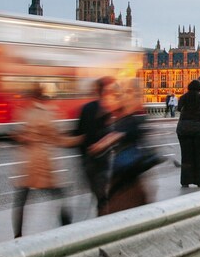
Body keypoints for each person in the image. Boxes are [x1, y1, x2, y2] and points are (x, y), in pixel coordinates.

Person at [12, 85, 83, 237]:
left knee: (21, 200)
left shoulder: (23, 112)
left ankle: (17, 234)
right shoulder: (48, 113)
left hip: (26, 163)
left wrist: (23, 137)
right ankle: (68, 228)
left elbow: (19, 135)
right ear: (42, 96)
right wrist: (79, 140)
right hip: (43, 162)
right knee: (59, 194)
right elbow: (57, 139)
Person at [89, 81, 153, 214]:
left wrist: (99, 146)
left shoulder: (130, 119)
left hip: (127, 171)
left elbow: (116, 135)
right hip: (126, 171)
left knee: (122, 208)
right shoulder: (124, 117)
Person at [75, 76, 117, 209]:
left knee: (97, 193)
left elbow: (79, 133)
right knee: (102, 195)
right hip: (99, 158)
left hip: (91, 158)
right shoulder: (109, 109)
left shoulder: (87, 108)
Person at [176, 79, 200, 187]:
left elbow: (179, 108)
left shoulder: (183, 97)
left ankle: (185, 181)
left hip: (184, 129)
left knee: (186, 156)